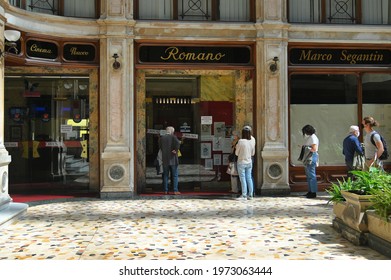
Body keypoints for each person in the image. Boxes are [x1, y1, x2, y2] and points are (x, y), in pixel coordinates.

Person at [159, 126, 181, 195]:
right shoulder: (173, 137)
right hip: (173, 159)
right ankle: (175, 190)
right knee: (175, 175)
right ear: (172, 131)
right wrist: (175, 150)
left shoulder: (162, 138)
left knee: (165, 175)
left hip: (165, 159)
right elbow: (178, 143)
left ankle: (165, 190)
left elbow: (160, 146)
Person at [235, 126, 255, 201]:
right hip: (249, 161)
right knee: (249, 177)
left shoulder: (241, 141)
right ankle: (250, 194)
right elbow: (253, 153)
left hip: (241, 161)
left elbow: (236, 153)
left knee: (242, 178)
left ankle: (244, 195)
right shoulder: (253, 140)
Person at [301, 124, 319, 198]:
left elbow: (314, 148)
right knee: (309, 175)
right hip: (309, 156)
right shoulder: (311, 137)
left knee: (311, 175)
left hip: (311, 156)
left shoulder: (313, 138)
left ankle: (313, 192)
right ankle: (310, 191)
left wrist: (305, 148)